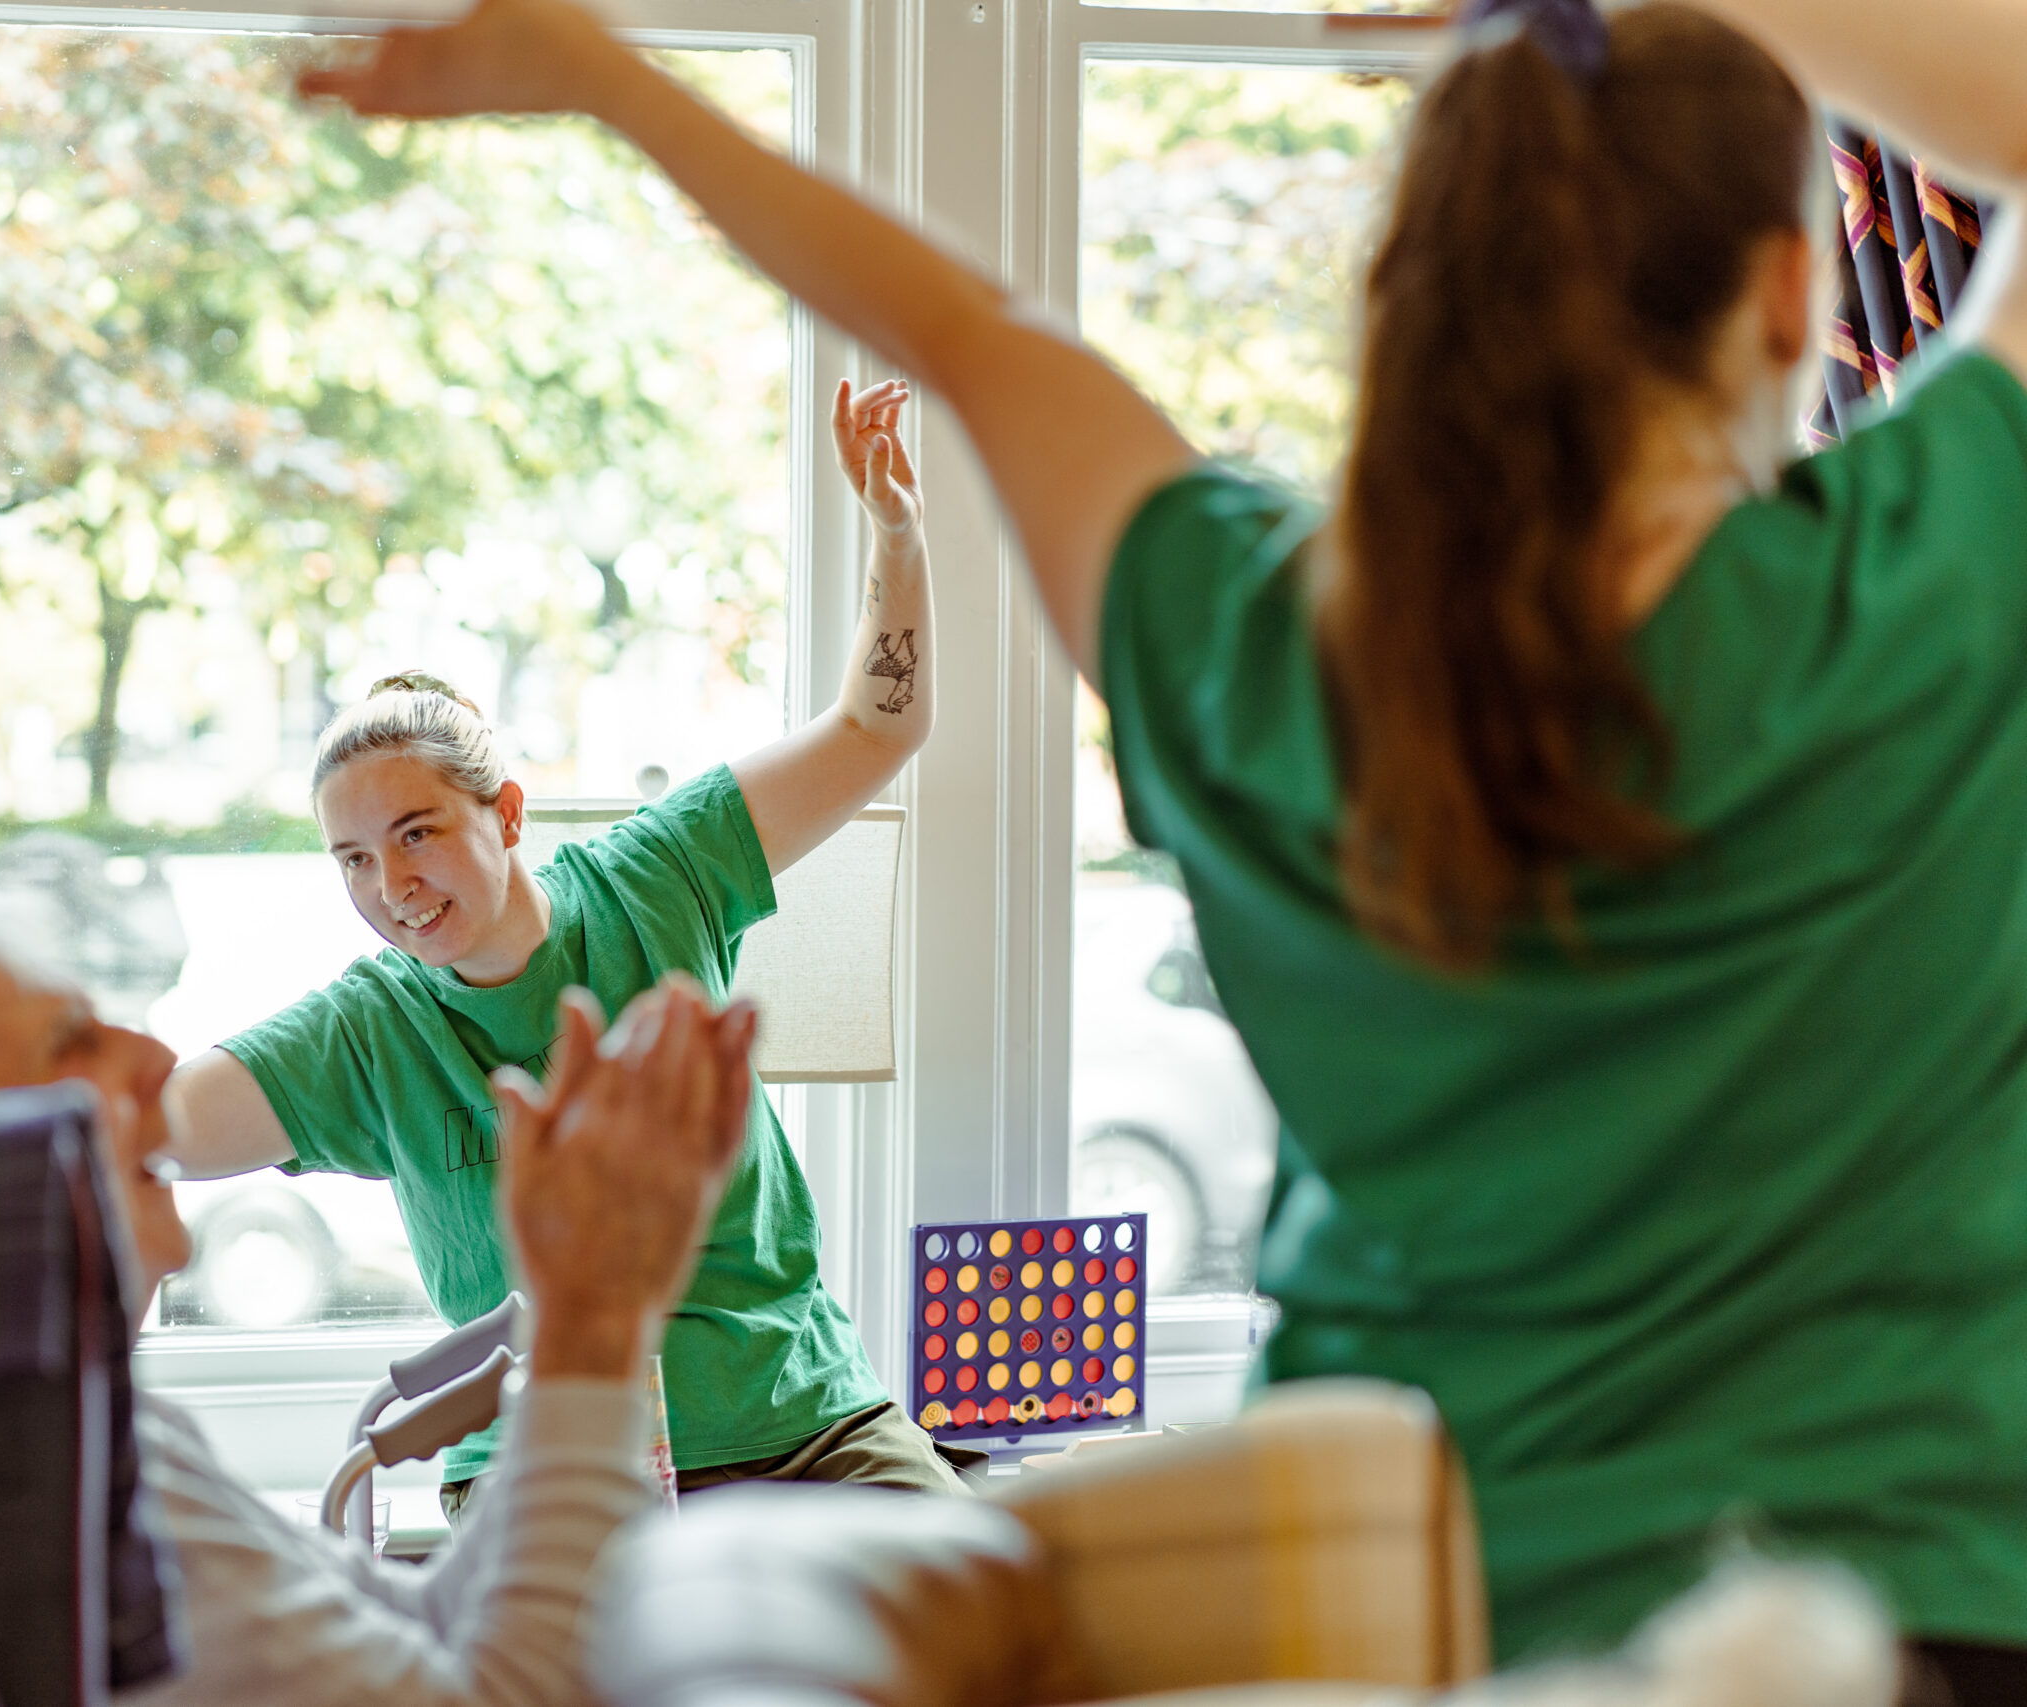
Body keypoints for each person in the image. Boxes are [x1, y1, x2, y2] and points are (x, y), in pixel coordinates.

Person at [292, 0, 2027, 1681]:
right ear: (1800, 298)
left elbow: (961, 329)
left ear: (1413, 302)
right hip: (1918, 1612)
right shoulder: (1917, 579)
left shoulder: (1255, 641)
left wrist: (604, 73)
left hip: (1419, 1630)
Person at [0, 377, 964, 1513]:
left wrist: (897, 538)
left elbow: (875, 725)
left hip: (811, 1427)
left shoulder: (661, 875)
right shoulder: (368, 1033)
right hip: (545, 1464)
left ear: (504, 815)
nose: (391, 885)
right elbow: (148, 1123)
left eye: (417, 833)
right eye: (352, 860)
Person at [0, 891, 763, 1707]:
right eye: (68, 1046)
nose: (159, 1057)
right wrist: (595, 1320)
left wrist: (570, 1295)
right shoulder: (41, 1497)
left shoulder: (102, 1433)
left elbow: (428, 1631)